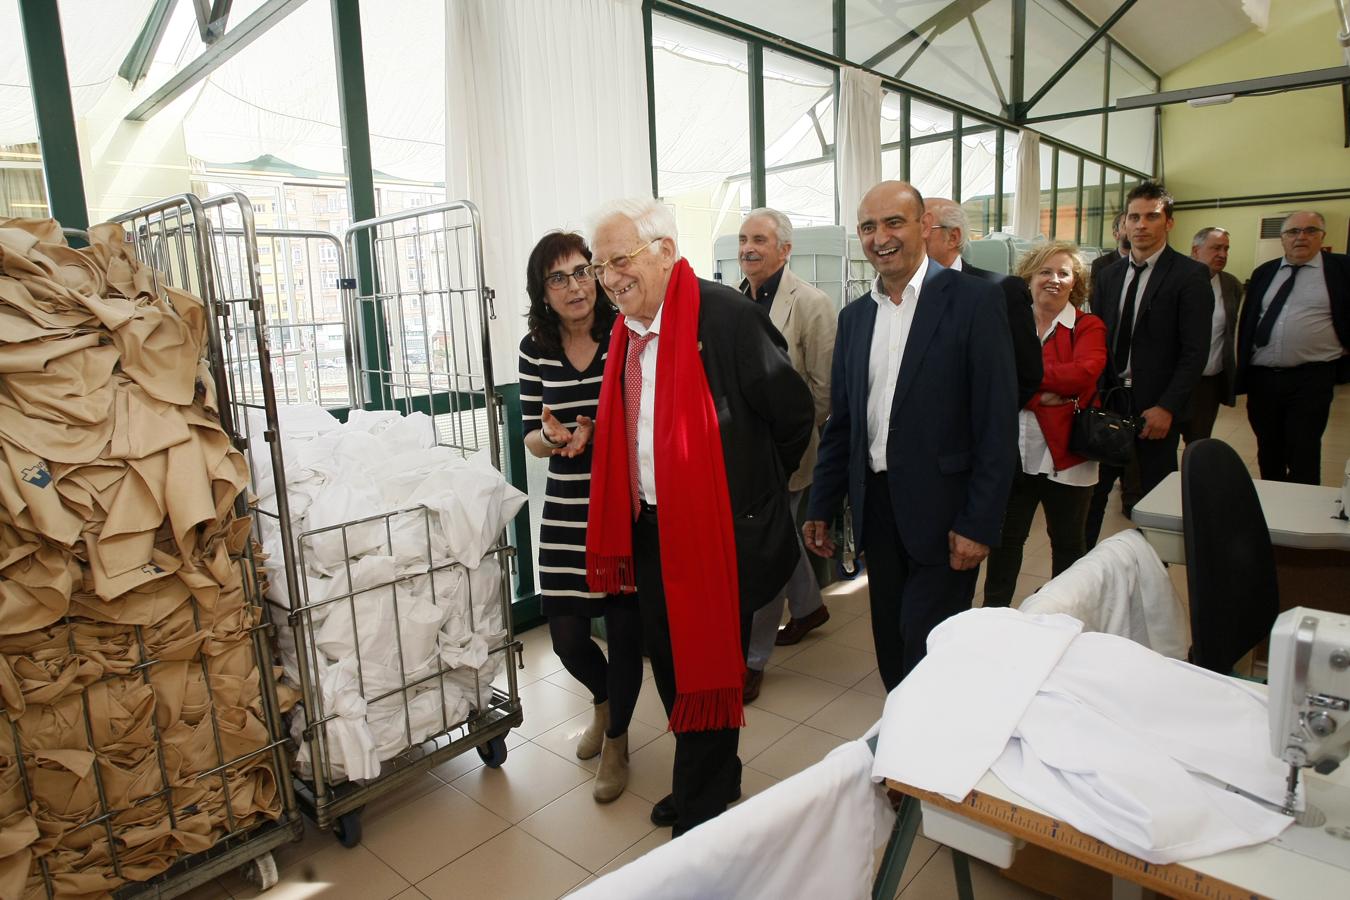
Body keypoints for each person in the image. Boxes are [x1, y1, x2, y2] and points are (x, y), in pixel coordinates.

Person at [583, 198, 813, 836]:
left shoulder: (729, 318)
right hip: (651, 530)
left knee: (707, 666)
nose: (608, 278)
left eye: (618, 260)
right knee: (671, 664)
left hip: (718, 536)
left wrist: (746, 492)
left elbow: (792, 416)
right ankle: (710, 775)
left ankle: (704, 800)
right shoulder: (625, 332)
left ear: (663, 250)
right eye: (601, 265)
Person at [803, 181, 1017, 690]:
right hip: (878, 509)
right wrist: (821, 504)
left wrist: (979, 522)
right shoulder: (855, 318)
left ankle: (933, 754)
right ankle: (902, 747)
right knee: (891, 644)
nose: (881, 237)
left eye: (894, 223)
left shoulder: (975, 302)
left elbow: (996, 423)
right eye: (869, 227)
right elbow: (845, 422)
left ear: (924, 226)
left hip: (947, 513)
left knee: (930, 647)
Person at [517, 231, 643, 803]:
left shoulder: (623, 333)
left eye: (582, 272)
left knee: (622, 627)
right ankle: (603, 701)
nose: (576, 286)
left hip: (620, 501)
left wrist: (598, 431)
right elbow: (530, 436)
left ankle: (616, 742)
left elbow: (640, 416)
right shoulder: (532, 348)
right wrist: (550, 436)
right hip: (565, 505)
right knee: (566, 633)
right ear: (543, 292)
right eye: (559, 277)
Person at [736, 208, 835, 703]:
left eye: (760, 239)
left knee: (766, 548)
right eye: (743, 239)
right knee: (780, 535)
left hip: (788, 453)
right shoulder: (733, 302)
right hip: (743, 456)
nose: (748, 248)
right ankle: (810, 606)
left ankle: (753, 659)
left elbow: (823, 390)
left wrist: (786, 443)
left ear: (785, 249)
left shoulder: (812, 304)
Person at [1083, 182, 1212, 548]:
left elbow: (1194, 351)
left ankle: (1153, 573)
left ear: (1168, 222)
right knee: (1094, 493)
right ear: (1124, 223)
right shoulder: (1108, 275)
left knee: (1155, 499)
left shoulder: (1189, 275)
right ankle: (1081, 570)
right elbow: (1100, 338)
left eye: (1151, 216)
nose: (1141, 225)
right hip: (1109, 402)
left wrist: (1168, 406)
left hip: (1156, 408)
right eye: (1134, 217)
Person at [983, 242, 1107, 608]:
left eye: (1063, 273)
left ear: (1076, 283)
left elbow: (1084, 374)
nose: (1054, 280)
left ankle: (1065, 617)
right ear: (1029, 277)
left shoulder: (1088, 325)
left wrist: (1023, 387)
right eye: (1045, 272)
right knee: (1005, 543)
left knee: (1068, 545)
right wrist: (1041, 395)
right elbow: (994, 375)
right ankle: (993, 617)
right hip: (1015, 455)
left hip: (1069, 456)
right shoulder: (1008, 323)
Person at [1236, 211, 1350, 484]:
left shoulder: (1341, 270)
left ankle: (1302, 513)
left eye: (1310, 231)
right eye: (1293, 232)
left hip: (1311, 377)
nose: (1301, 237)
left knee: (1304, 449)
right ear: (1282, 238)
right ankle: (1274, 506)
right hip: (1263, 378)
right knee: (1268, 448)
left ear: (1322, 237)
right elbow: (1249, 322)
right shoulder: (1264, 273)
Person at [925, 198, 1042, 409]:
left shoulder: (1003, 290)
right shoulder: (896, 296)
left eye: (922, 228)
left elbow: (1026, 374)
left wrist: (980, 426)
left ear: (953, 237)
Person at [1181, 226, 1242, 444]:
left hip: (1207, 384)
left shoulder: (1231, 285)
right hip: (1171, 381)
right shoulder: (1175, 278)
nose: (1222, 254)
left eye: (1226, 249)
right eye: (1216, 248)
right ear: (1195, 250)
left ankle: (1191, 479)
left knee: (1198, 442)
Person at [1088, 211, 1131, 307]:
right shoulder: (1102, 264)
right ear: (1116, 234)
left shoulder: (1149, 263)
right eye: (1126, 225)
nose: (1132, 228)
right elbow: (1095, 301)